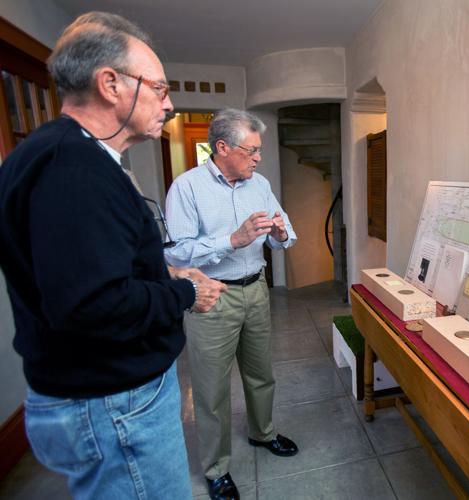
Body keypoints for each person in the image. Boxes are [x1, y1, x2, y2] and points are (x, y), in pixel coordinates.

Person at [0, 12, 226, 499]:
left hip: (103, 396)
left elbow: (90, 267)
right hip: (113, 403)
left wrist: (162, 271)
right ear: (111, 84)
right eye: (160, 89)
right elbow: (93, 305)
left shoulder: (66, 156)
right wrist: (185, 290)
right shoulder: (72, 169)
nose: (168, 104)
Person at [165, 109, 298, 500]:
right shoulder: (186, 188)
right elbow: (177, 254)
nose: (258, 158)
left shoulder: (261, 184)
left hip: (257, 289)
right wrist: (232, 240)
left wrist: (279, 232)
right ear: (222, 148)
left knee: (261, 373)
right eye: (251, 150)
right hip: (211, 296)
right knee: (211, 389)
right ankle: (216, 467)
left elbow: (285, 237)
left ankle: (263, 433)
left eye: (259, 151)